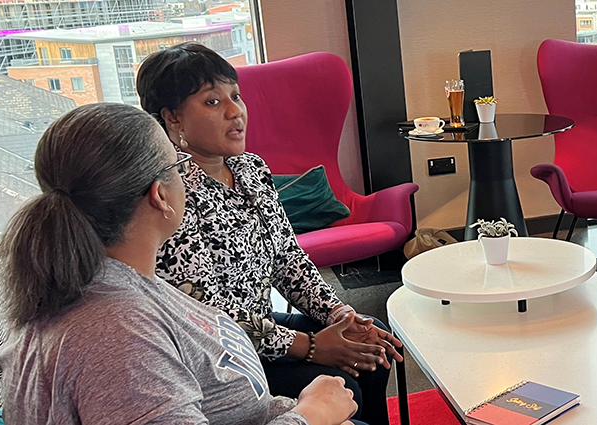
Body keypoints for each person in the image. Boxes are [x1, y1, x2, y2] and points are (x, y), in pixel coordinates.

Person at [0, 102, 359, 425]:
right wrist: (310, 415)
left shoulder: (120, 284)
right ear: (160, 194)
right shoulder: (116, 335)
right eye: (178, 163)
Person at [137, 42, 400, 424]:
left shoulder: (250, 169)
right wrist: (309, 347)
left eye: (236, 96)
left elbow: (288, 260)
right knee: (342, 378)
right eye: (212, 102)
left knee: (369, 339)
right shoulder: (168, 192)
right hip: (219, 355)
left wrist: (339, 315)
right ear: (172, 118)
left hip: (263, 327)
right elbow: (207, 317)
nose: (235, 112)